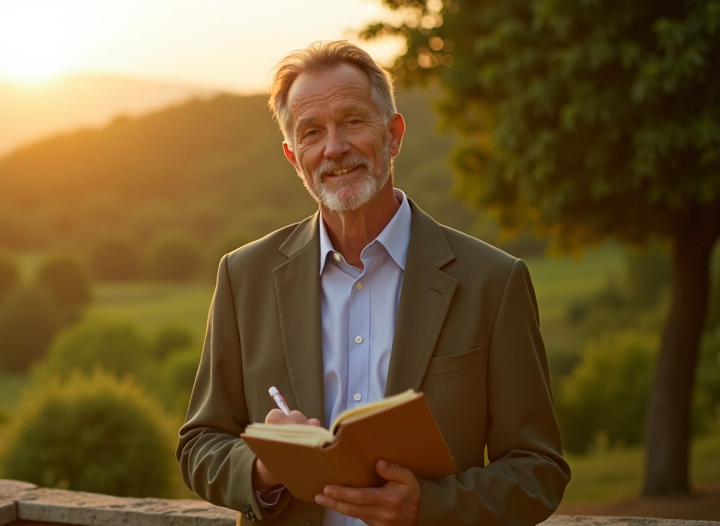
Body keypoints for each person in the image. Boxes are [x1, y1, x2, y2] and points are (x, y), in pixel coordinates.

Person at [176, 41, 570, 526]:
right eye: (312, 132)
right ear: (293, 157)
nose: (334, 147)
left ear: (395, 134)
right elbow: (199, 444)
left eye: (353, 121)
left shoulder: (493, 280)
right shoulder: (243, 276)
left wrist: (429, 506)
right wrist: (264, 467)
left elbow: (539, 471)